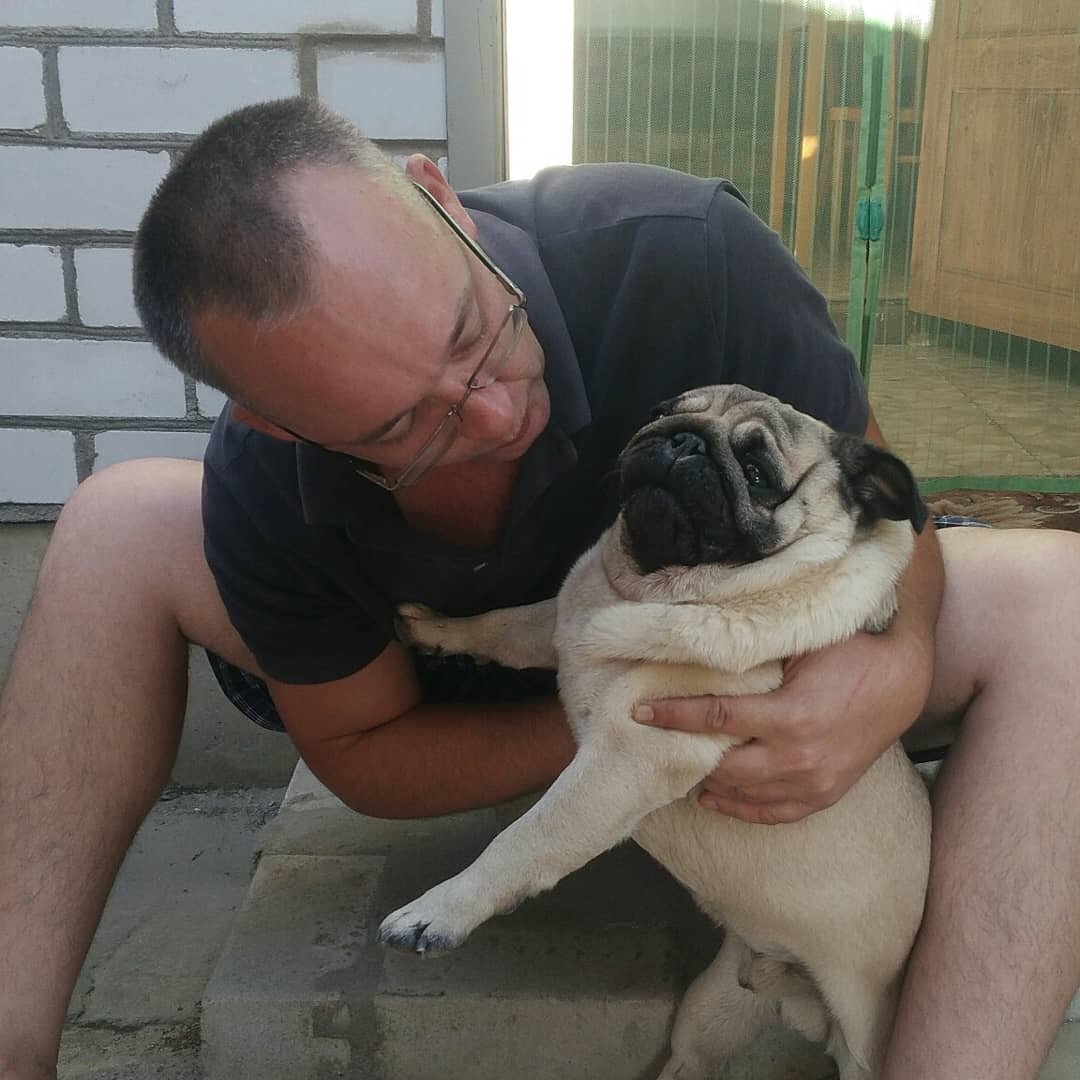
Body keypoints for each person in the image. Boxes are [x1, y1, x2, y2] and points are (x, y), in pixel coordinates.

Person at [0, 97, 1077, 1080]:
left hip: (748, 656)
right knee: (113, 524)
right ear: (278, 424)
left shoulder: (683, 250)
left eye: (474, 331)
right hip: (454, 672)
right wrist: (630, 721)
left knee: (1062, 597)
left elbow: (886, 505)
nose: (491, 412)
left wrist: (894, 665)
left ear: (440, 198)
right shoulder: (262, 478)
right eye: (400, 425)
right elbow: (364, 756)